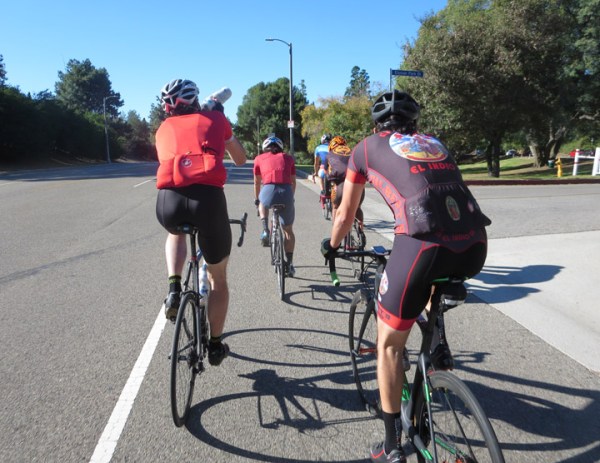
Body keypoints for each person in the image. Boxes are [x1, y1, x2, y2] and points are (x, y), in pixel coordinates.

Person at [321, 90, 491, 463]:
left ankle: (392, 445)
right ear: (415, 124)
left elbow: (345, 213)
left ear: (375, 125)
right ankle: (438, 343)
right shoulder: (435, 143)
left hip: (422, 247)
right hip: (475, 244)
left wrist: (331, 246)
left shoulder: (364, 150)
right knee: (432, 282)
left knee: (389, 346)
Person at [155, 78, 246, 367]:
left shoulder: (163, 129)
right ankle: (215, 345)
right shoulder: (216, 120)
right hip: (207, 202)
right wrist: (220, 120)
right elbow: (241, 159)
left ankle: (174, 288)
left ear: (168, 108)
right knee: (218, 279)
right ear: (195, 100)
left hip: (168, 202)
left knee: (175, 233)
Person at [254, 135, 297, 277]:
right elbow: (293, 182)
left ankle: (265, 229)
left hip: (268, 191)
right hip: (286, 192)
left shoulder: (259, 159)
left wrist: (257, 199)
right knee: (288, 231)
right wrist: (290, 198)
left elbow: (257, 182)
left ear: (265, 148)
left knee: (262, 201)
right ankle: (289, 264)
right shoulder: (288, 158)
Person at [325, 135, 364, 224]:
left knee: (335, 206)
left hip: (340, 185)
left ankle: (335, 228)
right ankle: (361, 228)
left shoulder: (330, 154)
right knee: (357, 207)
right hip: (357, 183)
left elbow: (328, 174)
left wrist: (327, 192)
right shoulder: (352, 151)